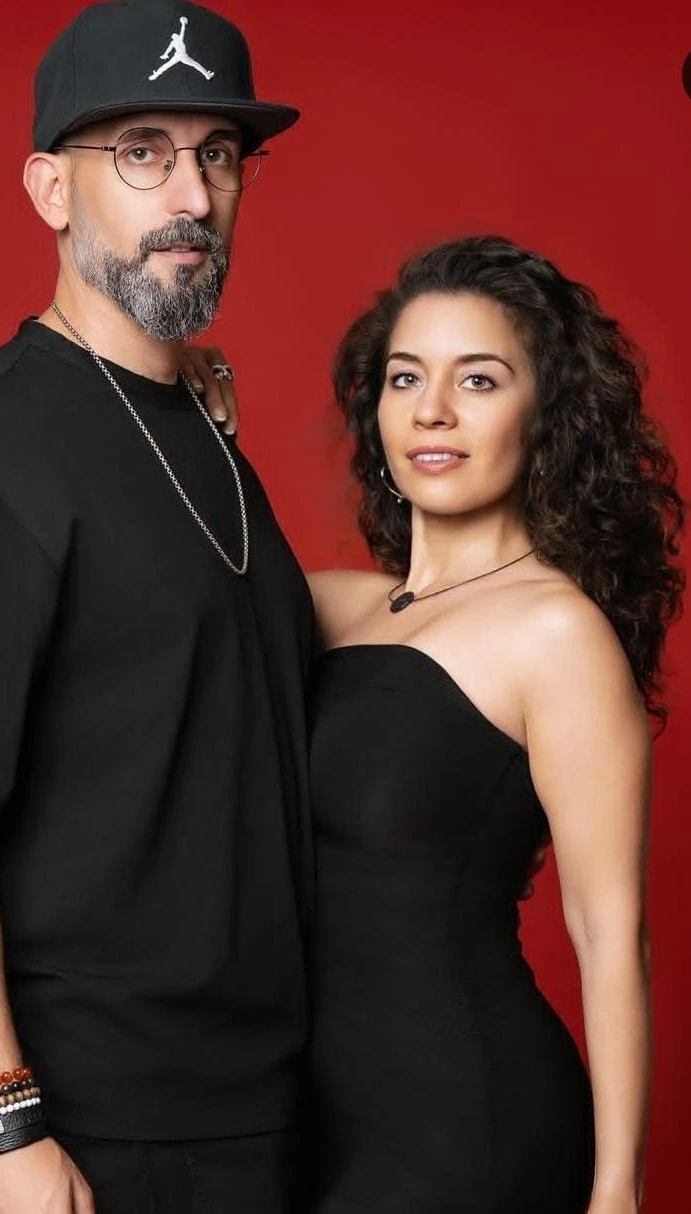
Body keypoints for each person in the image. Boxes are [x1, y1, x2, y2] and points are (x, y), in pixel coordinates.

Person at [0, 3, 314, 1212]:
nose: (194, 196)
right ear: (51, 189)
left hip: (254, 1113)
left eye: (219, 154)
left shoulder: (199, 427)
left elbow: (216, 639)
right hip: (88, 1128)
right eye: (143, 152)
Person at [187, 233, 683, 1212]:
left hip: (462, 1122)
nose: (432, 410)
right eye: (406, 376)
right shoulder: (329, 606)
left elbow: (608, 932)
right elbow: (180, 585)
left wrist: (616, 1189)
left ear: (547, 413)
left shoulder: (555, 632)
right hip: (303, 1126)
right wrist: (190, 409)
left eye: (480, 379)